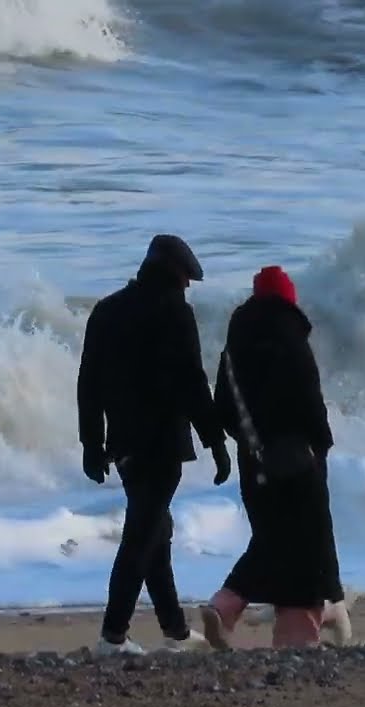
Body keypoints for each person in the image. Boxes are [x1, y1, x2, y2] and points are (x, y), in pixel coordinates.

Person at [76, 233, 233, 656]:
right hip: (162, 445)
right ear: (172, 274)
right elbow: (192, 382)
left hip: (123, 444)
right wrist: (216, 440)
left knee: (155, 531)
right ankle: (113, 635)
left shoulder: (106, 312)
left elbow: (87, 384)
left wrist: (92, 443)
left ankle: (176, 632)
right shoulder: (174, 313)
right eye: (185, 279)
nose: (186, 287)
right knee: (142, 536)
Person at [200, 265, 344, 649]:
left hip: (254, 462)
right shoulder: (290, 335)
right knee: (307, 549)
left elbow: (224, 408)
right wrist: (322, 443)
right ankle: (294, 640)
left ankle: (225, 606)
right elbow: (308, 397)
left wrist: (250, 442)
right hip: (297, 459)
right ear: (287, 298)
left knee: (272, 540)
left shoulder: (233, 347)